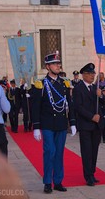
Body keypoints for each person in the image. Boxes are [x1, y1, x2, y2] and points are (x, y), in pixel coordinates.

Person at [31, 52, 76, 194]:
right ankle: (47, 182)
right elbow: (35, 107)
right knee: (49, 152)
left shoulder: (64, 83)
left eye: (58, 63)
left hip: (61, 123)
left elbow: (70, 104)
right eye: (55, 64)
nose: (58, 66)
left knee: (59, 153)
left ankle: (57, 181)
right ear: (48, 66)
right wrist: (36, 127)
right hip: (47, 124)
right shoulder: (41, 84)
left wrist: (72, 122)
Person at [72, 63, 104, 186]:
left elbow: (104, 102)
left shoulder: (95, 87)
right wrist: (91, 117)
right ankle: (88, 176)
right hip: (86, 124)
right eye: (90, 74)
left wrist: (100, 96)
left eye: (93, 73)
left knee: (94, 150)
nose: (92, 76)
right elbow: (78, 107)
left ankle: (92, 172)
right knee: (86, 151)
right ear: (84, 75)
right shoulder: (78, 88)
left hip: (97, 125)